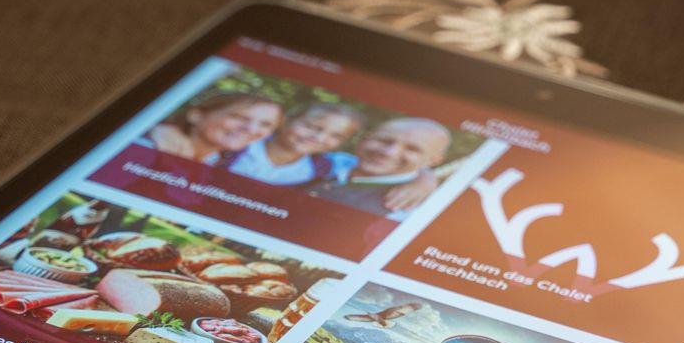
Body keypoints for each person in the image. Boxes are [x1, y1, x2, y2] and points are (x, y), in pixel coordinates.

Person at [307, 116, 452, 217]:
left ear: (433, 161)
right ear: (364, 139)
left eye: (412, 149)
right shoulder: (333, 161)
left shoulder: (407, 211)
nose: (389, 153)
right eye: (384, 140)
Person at [227, 101, 362, 186]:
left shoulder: (324, 169)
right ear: (286, 121)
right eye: (312, 127)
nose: (319, 138)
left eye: (336, 136)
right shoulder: (238, 145)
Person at [142, 92, 283, 167]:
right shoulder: (148, 145)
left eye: (265, 124)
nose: (251, 129)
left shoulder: (220, 162)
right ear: (196, 115)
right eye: (239, 117)